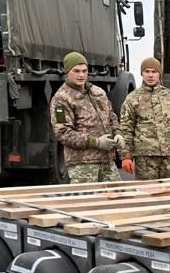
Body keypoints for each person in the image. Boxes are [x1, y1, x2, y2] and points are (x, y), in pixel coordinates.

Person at [49, 51, 120, 183]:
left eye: (84, 71)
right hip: (83, 164)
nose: (81, 75)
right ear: (67, 72)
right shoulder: (61, 99)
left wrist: (118, 133)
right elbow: (63, 133)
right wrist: (96, 142)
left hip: (107, 161)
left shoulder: (98, 92)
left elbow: (111, 116)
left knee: (116, 198)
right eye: (76, 71)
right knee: (86, 201)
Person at [118, 57, 170, 180]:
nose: (150, 75)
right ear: (142, 73)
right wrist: (125, 156)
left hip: (169, 157)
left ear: (159, 74)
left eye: (154, 72)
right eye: (147, 72)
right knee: (147, 193)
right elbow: (126, 129)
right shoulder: (133, 98)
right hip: (145, 159)